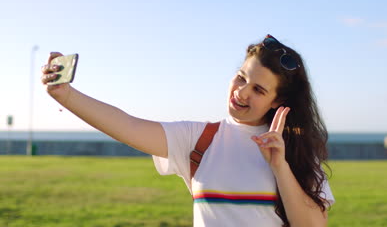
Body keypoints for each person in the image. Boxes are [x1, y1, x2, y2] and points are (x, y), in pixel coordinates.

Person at [41, 34, 335, 227]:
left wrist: (280, 167)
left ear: (278, 100)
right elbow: (127, 125)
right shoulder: (200, 139)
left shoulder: (294, 151)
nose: (241, 93)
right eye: (240, 77)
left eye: (258, 89)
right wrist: (66, 95)